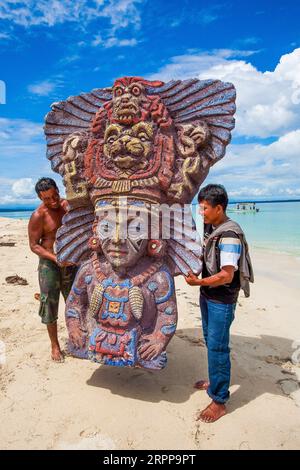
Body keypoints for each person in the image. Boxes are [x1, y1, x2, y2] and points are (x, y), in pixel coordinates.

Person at [185, 184, 253, 423]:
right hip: (208, 295)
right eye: (200, 208)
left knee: (218, 347)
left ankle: (220, 400)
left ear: (219, 208)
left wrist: (199, 282)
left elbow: (227, 275)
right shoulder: (212, 227)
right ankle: (215, 382)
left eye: (204, 208)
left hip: (221, 299)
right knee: (210, 339)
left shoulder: (229, 235)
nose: (201, 213)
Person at [28, 177, 77, 362]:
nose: (53, 200)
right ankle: (55, 345)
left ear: (58, 189)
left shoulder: (68, 206)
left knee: (75, 302)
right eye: (47, 198)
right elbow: (34, 246)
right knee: (49, 304)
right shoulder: (38, 215)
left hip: (71, 263)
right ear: (41, 198)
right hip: (49, 265)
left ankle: (76, 338)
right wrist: (55, 258)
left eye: (54, 195)